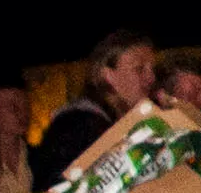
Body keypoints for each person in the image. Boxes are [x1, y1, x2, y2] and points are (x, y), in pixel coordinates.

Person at [35, 27, 162, 181]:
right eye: (140, 69)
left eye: (152, 70)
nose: (151, 78)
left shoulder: (106, 122)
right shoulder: (80, 127)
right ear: (108, 75)